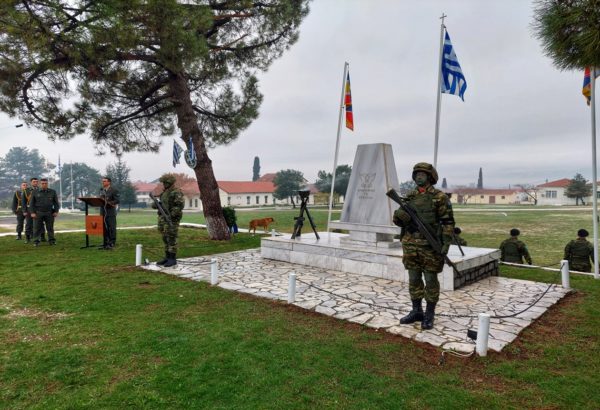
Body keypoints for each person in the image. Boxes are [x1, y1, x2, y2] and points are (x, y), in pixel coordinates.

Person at [392, 162, 455, 330]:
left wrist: (446, 243)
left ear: (430, 177)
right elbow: (398, 221)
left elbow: (448, 222)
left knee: (431, 280)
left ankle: (429, 314)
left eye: (423, 174)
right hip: (410, 245)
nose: (419, 177)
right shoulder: (410, 196)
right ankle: (416, 311)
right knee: (414, 279)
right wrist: (399, 216)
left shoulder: (439, 197)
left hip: (430, 246)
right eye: (417, 174)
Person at [152, 174, 185, 267]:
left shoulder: (176, 192)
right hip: (163, 219)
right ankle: (167, 257)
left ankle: (172, 258)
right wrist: (156, 203)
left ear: (169, 183)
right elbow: (156, 205)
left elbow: (179, 206)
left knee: (171, 238)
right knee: (165, 238)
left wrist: (171, 215)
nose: (163, 184)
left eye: (165, 183)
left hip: (171, 219)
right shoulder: (164, 193)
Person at [30, 178, 60, 246]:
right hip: (38, 213)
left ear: (47, 184)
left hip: (49, 213)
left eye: (45, 183)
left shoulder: (52, 192)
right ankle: (36, 241)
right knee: (37, 228)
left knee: (50, 228)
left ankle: (51, 241)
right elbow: (31, 203)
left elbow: (56, 203)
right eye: (42, 183)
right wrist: (32, 212)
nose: (44, 185)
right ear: (40, 184)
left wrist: (56, 211)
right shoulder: (35, 192)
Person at [99, 177, 120, 250]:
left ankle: (112, 243)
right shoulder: (101, 190)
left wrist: (109, 203)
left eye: (104, 181)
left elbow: (117, 200)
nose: (103, 182)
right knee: (104, 228)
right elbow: (100, 199)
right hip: (103, 212)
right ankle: (105, 243)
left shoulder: (114, 190)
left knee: (111, 228)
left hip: (110, 212)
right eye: (102, 181)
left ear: (109, 182)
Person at [23, 177, 46, 243]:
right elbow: (23, 202)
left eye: (36, 182)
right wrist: (24, 211)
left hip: (38, 209)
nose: (35, 183)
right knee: (29, 224)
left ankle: (42, 237)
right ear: (31, 182)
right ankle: (27, 238)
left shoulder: (40, 189)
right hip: (29, 209)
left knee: (41, 223)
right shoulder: (26, 190)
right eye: (34, 182)